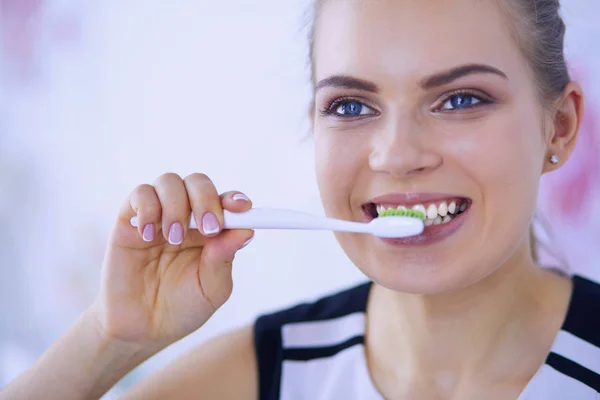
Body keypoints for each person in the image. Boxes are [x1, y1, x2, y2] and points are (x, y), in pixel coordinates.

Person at [2, 0, 597, 398]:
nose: (396, 154)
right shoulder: (259, 376)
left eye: (462, 99)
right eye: (351, 106)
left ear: (560, 126)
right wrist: (112, 338)